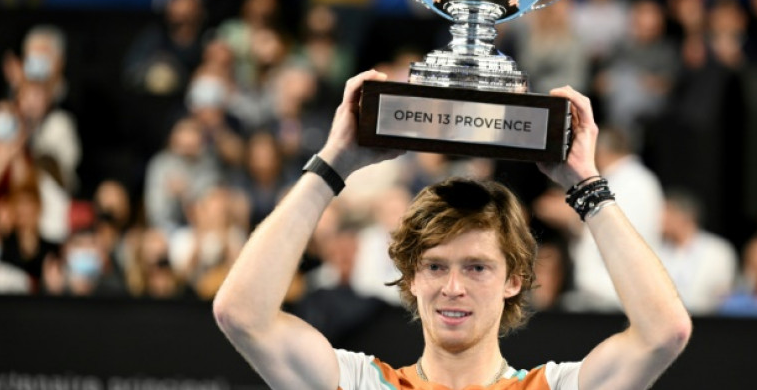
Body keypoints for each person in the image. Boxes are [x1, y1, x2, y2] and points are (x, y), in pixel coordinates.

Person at [213, 70, 691, 390]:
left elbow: (664, 334)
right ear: (411, 277)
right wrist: (333, 164)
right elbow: (241, 315)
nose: (453, 287)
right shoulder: (361, 383)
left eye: (477, 267)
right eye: (435, 266)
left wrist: (586, 186)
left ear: (514, 279)